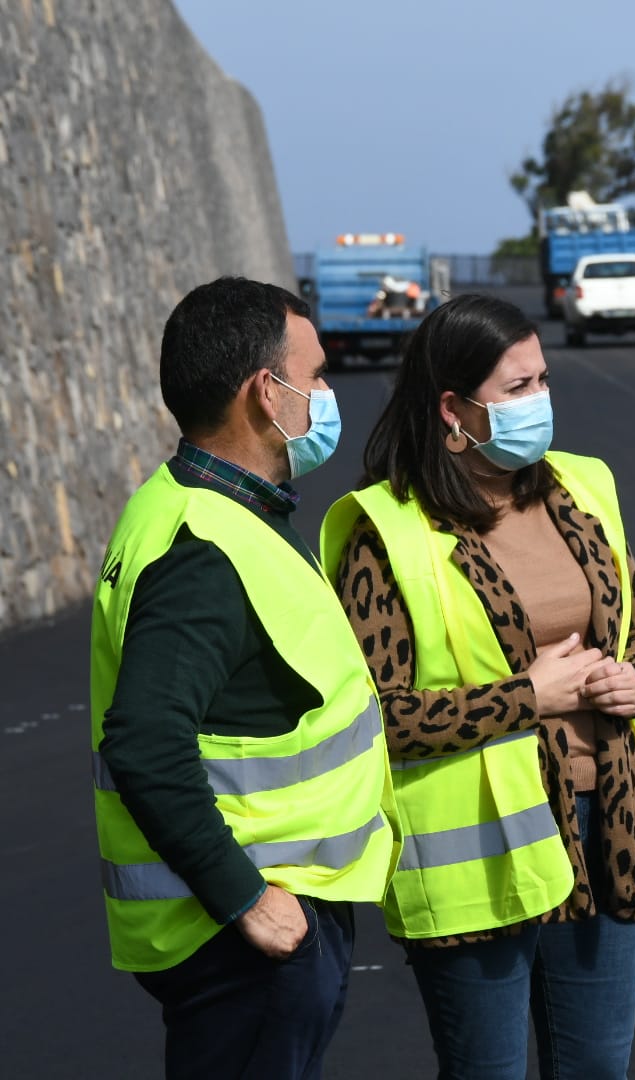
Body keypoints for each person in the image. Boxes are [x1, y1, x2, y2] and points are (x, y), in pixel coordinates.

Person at [320, 293, 635, 1080]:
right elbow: (371, 717)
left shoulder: (581, 490)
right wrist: (527, 699)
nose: (541, 401)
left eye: (543, 380)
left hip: (604, 823)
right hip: (478, 855)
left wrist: (634, 680)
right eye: (518, 388)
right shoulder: (387, 530)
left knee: (597, 1071)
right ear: (454, 409)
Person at [89, 276, 396, 1079]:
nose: (325, 394)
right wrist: (246, 899)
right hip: (247, 931)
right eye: (317, 374)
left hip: (250, 922)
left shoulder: (186, 503)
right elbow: (145, 739)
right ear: (267, 392)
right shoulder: (206, 552)